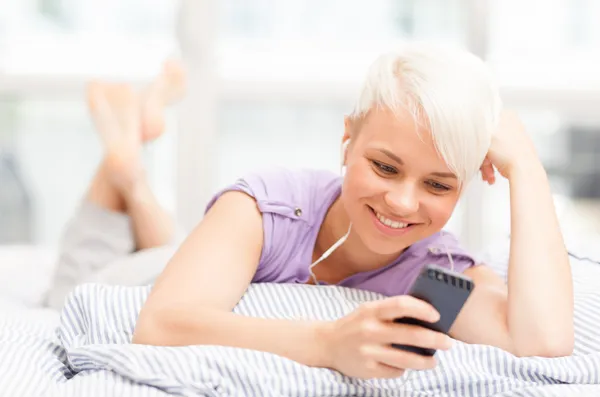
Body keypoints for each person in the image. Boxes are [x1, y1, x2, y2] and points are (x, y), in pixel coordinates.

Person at [132, 42, 575, 380]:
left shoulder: (439, 271)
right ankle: (127, 176)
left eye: (437, 185)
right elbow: (158, 325)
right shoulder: (265, 209)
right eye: (384, 167)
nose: (402, 203)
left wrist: (527, 169)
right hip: (142, 268)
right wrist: (325, 345)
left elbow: (543, 344)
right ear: (348, 141)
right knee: (144, 247)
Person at [45, 60, 186, 310]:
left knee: (70, 289)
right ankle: (132, 157)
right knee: (177, 259)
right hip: (169, 271)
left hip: (90, 293)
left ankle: (129, 151)